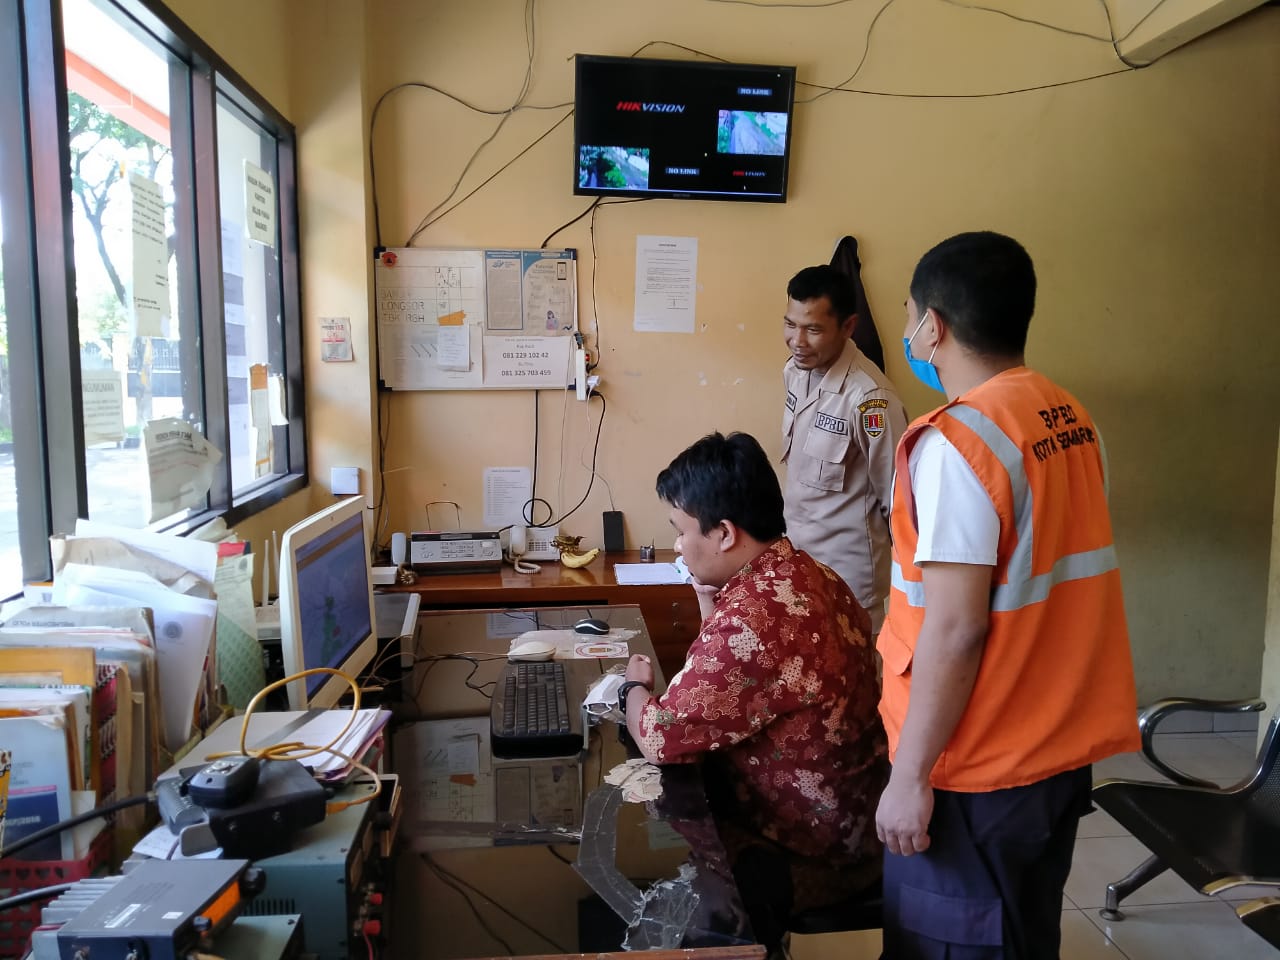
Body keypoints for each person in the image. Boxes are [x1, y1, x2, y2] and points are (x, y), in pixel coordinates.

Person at [874, 232, 1141, 959]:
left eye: (907, 315)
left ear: (935, 325)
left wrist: (909, 779)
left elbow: (956, 628)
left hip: (978, 763)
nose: (905, 333)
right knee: (1023, 935)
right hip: (1053, 748)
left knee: (954, 943)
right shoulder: (1066, 416)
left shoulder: (959, 444)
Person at [620, 431, 888, 951]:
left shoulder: (758, 615)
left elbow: (662, 737)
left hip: (814, 850)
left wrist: (632, 686)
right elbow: (730, 684)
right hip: (854, 821)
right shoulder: (810, 574)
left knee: (664, 876)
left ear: (723, 533)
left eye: (680, 531)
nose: (677, 544)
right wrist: (708, 601)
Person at [781, 264, 907, 633]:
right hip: (801, 567)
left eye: (813, 329)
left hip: (849, 583)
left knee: (852, 686)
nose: (797, 340)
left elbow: (899, 501)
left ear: (848, 327)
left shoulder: (870, 399)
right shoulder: (795, 371)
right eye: (790, 324)